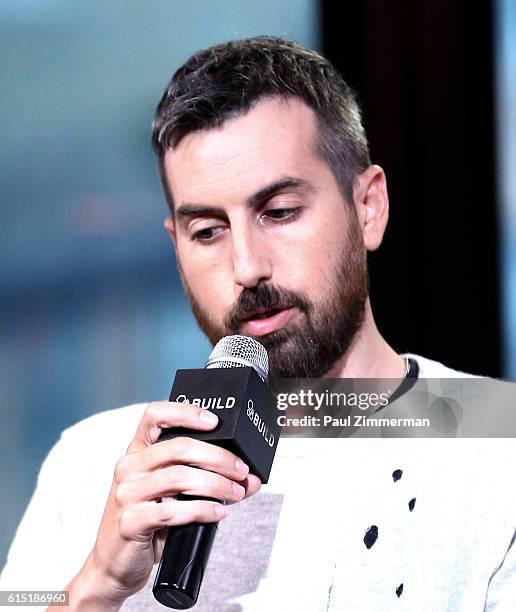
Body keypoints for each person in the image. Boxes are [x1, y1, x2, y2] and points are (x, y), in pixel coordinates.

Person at [1, 36, 516, 611]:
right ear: (176, 248)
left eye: (279, 213)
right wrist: (96, 584)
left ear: (368, 207)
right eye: (208, 232)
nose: (246, 268)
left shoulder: (499, 443)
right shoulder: (93, 461)